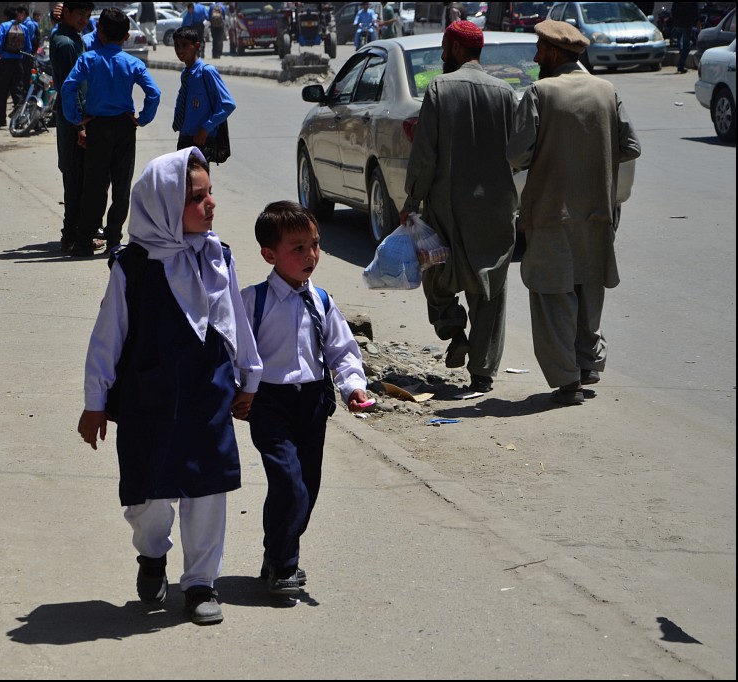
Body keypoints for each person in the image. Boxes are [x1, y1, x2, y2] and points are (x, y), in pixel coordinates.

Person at [77, 147, 262, 625]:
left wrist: (250, 376)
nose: (210, 204)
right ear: (162, 206)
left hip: (208, 392)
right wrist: (95, 402)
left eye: (209, 194)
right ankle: (151, 555)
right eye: (196, 198)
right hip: (149, 399)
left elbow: (234, 322)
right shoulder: (133, 267)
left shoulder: (218, 255)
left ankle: (201, 583)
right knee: (149, 498)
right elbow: (108, 336)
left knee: (207, 489)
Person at [506, 20, 641, 406]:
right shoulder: (606, 90)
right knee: (588, 292)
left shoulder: (539, 92)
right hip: (598, 215)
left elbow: (517, 155)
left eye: (539, 49)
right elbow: (630, 146)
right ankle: (587, 367)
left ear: (552, 52)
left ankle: (568, 383)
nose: (534, 57)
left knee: (553, 297)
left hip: (550, 215)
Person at [242, 200, 371, 595]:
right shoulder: (254, 301)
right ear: (270, 254)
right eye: (297, 248)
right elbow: (238, 352)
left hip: (313, 403)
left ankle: (277, 553)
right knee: (288, 482)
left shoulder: (322, 301)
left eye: (314, 244)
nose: (310, 255)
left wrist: (352, 387)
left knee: (307, 487)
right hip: (269, 402)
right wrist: (238, 391)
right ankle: (284, 565)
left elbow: (341, 352)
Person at [399, 20, 518, 395]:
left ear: (453, 47)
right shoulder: (505, 93)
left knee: (434, 270)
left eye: (444, 47)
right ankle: (482, 373)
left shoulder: (439, 87)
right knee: (490, 288)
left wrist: (411, 200)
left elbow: (425, 156)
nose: (440, 54)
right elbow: (517, 154)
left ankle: (453, 330)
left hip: (446, 205)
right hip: (496, 209)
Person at [59, 7, 161, 257]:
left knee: (94, 184)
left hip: (97, 126)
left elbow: (68, 88)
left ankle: (84, 241)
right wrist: (142, 119)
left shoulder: (88, 59)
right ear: (126, 36)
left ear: (100, 32)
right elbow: (154, 93)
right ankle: (114, 239)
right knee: (121, 184)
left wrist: (77, 118)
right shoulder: (133, 63)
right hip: (124, 127)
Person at [50, 2, 94, 254]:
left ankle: (76, 231)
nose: (84, 20)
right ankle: (70, 234)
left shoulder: (72, 37)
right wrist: (79, 125)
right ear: (66, 12)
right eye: (80, 14)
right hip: (73, 118)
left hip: (77, 116)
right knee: (75, 177)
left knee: (80, 176)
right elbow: (70, 87)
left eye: (87, 15)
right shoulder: (66, 43)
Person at [171, 27, 235, 159]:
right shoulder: (186, 74)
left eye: (184, 45)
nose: (180, 50)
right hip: (184, 138)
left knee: (198, 179)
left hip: (200, 140)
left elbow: (228, 104)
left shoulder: (207, 72)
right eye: (176, 45)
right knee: (183, 179)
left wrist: (206, 128)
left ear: (196, 46)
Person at [0, 7, 32, 127]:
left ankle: (1, 119)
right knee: (17, 91)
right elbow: (28, 47)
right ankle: (18, 120)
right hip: (19, 63)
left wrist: (3, 53)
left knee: (2, 91)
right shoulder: (23, 28)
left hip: (5, 63)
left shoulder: (3, 26)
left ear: (6, 16)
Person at [670, 1, 702, 74]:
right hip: (687, 25)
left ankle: (681, 60)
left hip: (678, 24)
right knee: (686, 47)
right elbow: (696, 12)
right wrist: (697, 21)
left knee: (682, 45)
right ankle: (680, 66)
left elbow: (673, 11)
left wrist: (675, 21)